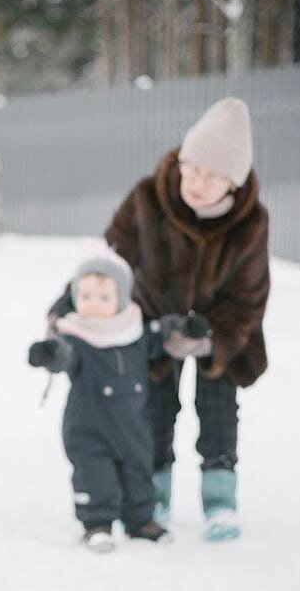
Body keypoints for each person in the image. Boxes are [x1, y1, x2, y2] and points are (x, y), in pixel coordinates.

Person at [102, 97, 271, 541]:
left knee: (217, 409)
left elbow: (250, 296)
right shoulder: (147, 198)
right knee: (156, 409)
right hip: (155, 321)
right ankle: (152, 494)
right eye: (192, 167)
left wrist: (211, 339)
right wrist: (76, 307)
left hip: (221, 333)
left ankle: (220, 501)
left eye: (212, 175)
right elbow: (110, 260)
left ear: (232, 184)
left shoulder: (250, 223)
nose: (196, 181)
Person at [29, 256, 206, 552]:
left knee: (138, 471)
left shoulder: (134, 330)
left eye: (103, 296)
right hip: (89, 426)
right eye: (85, 296)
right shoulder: (75, 336)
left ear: (121, 298)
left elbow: (163, 332)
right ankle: (97, 524)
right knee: (94, 474)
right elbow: (63, 355)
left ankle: (140, 521)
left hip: (132, 424)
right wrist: (47, 353)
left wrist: (188, 327)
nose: (93, 303)